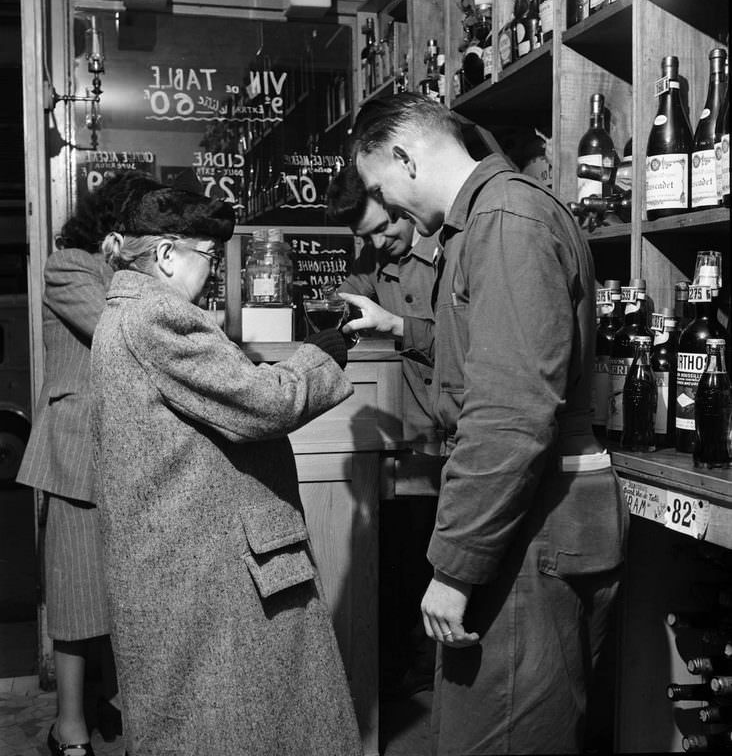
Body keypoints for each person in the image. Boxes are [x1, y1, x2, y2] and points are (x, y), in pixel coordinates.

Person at [346, 92, 629, 754]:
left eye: (377, 185)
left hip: (531, 519)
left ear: (404, 156)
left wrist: (454, 568)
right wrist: (406, 329)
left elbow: (510, 409)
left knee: (499, 738)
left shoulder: (503, 220)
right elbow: (489, 351)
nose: (384, 205)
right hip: (529, 515)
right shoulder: (490, 220)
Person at [89, 177, 363, 756]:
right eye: (208, 256)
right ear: (165, 253)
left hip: (187, 566)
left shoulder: (124, 313)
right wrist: (322, 354)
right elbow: (264, 407)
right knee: (236, 727)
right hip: (212, 575)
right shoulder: (158, 317)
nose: (213, 272)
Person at [16, 172, 151, 756]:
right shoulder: (70, 264)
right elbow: (116, 333)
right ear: (121, 220)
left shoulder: (134, 270)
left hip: (129, 449)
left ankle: (115, 704)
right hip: (74, 452)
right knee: (75, 598)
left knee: (127, 593)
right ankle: (68, 727)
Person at [327, 165, 441, 697]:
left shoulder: (454, 245)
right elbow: (350, 294)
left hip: (459, 447)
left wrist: (396, 326)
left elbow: (474, 345)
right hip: (412, 448)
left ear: (398, 199)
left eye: (382, 229)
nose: (377, 243)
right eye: (365, 238)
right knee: (400, 571)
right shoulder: (378, 253)